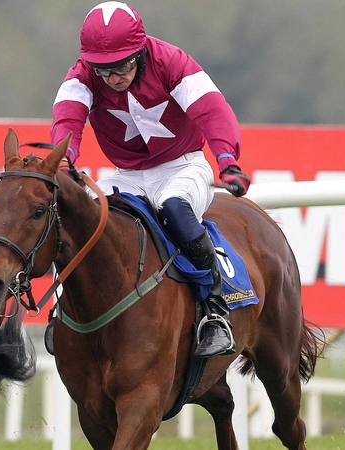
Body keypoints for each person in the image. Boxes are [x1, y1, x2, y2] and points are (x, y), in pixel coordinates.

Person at [50, 2, 251, 357]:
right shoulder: (82, 75)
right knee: (76, 220)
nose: (113, 79)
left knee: (173, 208)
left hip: (183, 166)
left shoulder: (172, 62)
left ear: (140, 52)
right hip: (127, 176)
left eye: (121, 67)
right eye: (103, 71)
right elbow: (68, 120)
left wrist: (227, 160)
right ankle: (61, 308)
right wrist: (65, 160)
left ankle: (215, 310)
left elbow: (212, 111)